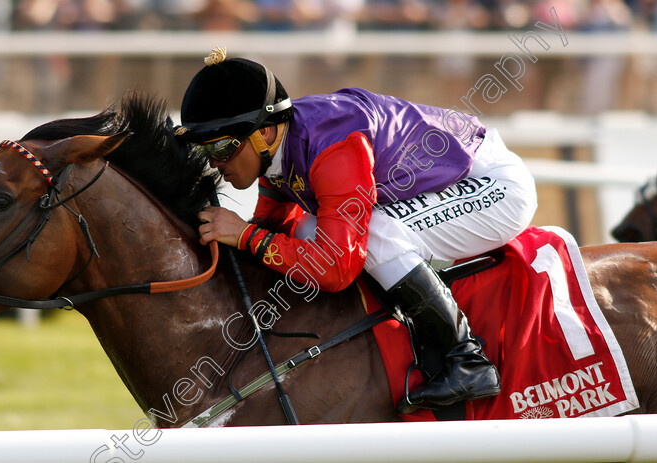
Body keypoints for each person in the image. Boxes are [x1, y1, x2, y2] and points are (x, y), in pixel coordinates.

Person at [176, 48, 537, 413]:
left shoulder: (334, 146)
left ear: (264, 132)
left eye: (222, 147)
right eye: (206, 151)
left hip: (494, 186)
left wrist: (245, 236)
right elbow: (275, 227)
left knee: (375, 233)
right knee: (309, 228)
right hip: (449, 180)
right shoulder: (282, 148)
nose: (216, 163)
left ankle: (467, 359)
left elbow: (336, 267)